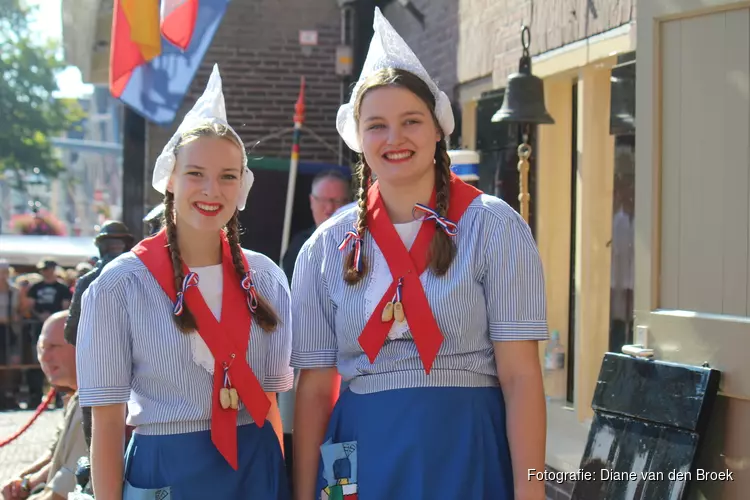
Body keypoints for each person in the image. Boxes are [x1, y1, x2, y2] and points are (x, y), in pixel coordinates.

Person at [291, 9, 548, 500]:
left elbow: (520, 377)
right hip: (356, 451)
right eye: (377, 125)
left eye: (411, 121)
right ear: (358, 137)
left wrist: (531, 493)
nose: (395, 138)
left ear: (438, 128)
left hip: (465, 444)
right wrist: (304, 495)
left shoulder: (494, 227)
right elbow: (314, 390)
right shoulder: (325, 247)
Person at [75, 65, 293, 499]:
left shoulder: (266, 277)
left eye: (227, 176)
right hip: (167, 468)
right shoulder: (119, 286)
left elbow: (269, 406)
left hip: (255, 465)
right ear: (170, 178)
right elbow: (107, 421)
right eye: (196, 173)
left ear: (242, 186)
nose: (212, 189)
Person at [1, 311, 87, 500]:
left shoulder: (90, 405)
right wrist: (24, 481)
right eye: (41, 347)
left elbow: (62, 493)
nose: (44, 357)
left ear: (83, 346)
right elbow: (54, 456)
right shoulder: (76, 397)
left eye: (54, 346)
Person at [281, 169, 351, 283]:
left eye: (337, 201)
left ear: (349, 204)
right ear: (312, 201)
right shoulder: (299, 246)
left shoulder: (359, 245)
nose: (329, 208)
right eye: (323, 200)